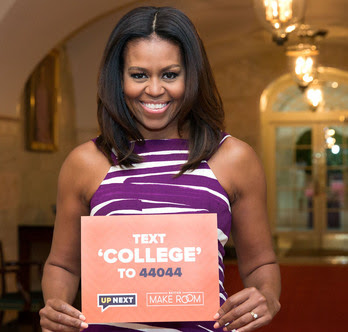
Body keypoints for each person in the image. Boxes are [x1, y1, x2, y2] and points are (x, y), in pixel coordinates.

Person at [40, 6, 281, 332]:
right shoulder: (86, 162)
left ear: (191, 75)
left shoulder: (233, 158)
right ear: (119, 78)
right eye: (139, 74)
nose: (154, 90)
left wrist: (267, 296)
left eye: (170, 74)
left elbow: (260, 263)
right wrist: (56, 307)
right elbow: (62, 265)